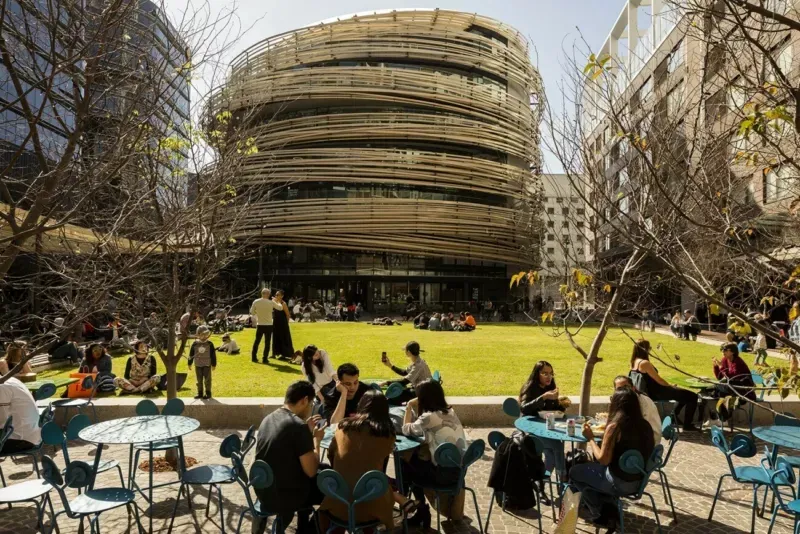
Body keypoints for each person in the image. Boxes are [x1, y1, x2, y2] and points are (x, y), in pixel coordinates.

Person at [320, 390, 413, 531]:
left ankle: (398, 497)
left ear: (361, 405)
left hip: (338, 500)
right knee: (380, 482)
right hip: (371, 504)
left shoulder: (343, 427)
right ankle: (399, 498)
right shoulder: (386, 434)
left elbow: (331, 454)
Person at [569, 387, 655, 528]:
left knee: (574, 472)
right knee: (593, 469)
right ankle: (608, 506)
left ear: (616, 404)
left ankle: (600, 512)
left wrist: (590, 438)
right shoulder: (645, 425)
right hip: (639, 481)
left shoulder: (615, 427)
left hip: (618, 483)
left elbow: (603, 460)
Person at [252, 381, 327, 534]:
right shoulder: (297, 426)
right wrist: (316, 440)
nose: (311, 408)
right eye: (311, 403)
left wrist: (306, 431)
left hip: (263, 490)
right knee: (332, 485)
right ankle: (309, 530)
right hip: (284, 496)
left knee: (325, 469)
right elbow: (311, 470)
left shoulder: (269, 418)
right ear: (304, 400)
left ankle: (303, 525)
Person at [400, 380, 467, 529]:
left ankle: (419, 510)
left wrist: (409, 407)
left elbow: (406, 429)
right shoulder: (450, 411)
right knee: (416, 460)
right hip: (459, 472)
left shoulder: (429, 417)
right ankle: (419, 509)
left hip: (442, 475)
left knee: (404, 462)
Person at [629, 339, 699, 431]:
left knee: (683, 394)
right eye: (649, 348)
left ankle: (674, 417)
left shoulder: (633, 362)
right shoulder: (644, 363)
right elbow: (659, 380)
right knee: (693, 396)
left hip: (650, 391)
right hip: (658, 392)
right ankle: (687, 425)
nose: (650, 350)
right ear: (644, 349)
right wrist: (670, 386)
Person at [519, 361, 570, 481]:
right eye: (545, 373)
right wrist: (544, 397)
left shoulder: (550, 387)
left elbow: (552, 410)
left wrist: (562, 405)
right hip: (530, 430)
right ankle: (563, 478)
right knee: (557, 445)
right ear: (537, 374)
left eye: (551, 373)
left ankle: (543, 480)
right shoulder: (530, 387)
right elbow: (524, 408)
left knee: (552, 451)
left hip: (546, 427)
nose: (549, 377)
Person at [613, 376, 662, 444]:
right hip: (640, 438)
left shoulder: (640, 402)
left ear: (633, 388)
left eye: (626, 387)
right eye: (620, 389)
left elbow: (640, 428)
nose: (624, 391)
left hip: (649, 442)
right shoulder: (627, 400)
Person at [381, 341, 432, 405]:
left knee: (392, 398)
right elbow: (405, 372)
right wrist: (390, 365)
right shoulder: (418, 361)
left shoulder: (418, 365)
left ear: (409, 352)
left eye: (405, 350)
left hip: (422, 393)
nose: (404, 351)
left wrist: (386, 382)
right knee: (396, 395)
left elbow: (404, 381)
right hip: (419, 389)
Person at [0, 374, 41, 454]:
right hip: (31, 435)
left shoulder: (2, 386)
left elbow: (2, 422)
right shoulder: (10, 379)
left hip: (22, 440)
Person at [713, 342, 757, 414]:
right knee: (718, 389)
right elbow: (719, 377)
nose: (723, 352)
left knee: (719, 389)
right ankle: (722, 418)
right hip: (733, 387)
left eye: (725, 350)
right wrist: (716, 367)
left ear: (732, 352)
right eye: (722, 350)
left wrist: (721, 367)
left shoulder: (738, 362)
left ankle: (723, 418)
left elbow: (733, 377)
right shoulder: (725, 359)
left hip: (744, 389)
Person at [250, 288, 285, 364]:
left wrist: (258, 313)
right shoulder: (271, 302)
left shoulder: (256, 301)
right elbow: (280, 308)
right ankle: (265, 358)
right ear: (267, 294)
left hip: (260, 324)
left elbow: (252, 312)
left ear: (262, 294)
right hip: (269, 324)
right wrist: (277, 301)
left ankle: (253, 357)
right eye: (269, 294)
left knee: (257, 341)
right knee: (267, 343)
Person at [188, 325, 216, 399]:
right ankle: (200, 393)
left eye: (205, 335)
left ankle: (208, 393)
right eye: (202, 335)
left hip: (207, 364)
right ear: (198, 335)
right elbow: (191, 354)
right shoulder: (195, 344)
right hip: (198, 364)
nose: (204, 337)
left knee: (207, 379)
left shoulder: (210, 344)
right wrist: (189, 363)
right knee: (199, 380)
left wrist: (213, 364)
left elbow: (213, 355)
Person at [271, 290, 295, 361]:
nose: (276, 296)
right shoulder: (274, 303)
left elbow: (287, 314)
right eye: (276, 295)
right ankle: (274, 353)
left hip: (282, 323)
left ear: (282, 296)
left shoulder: (283, 303)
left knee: (283, 337)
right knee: (275, 337)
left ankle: (284, 354)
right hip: (276, 322)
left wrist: (286, 323)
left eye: (278, 295)